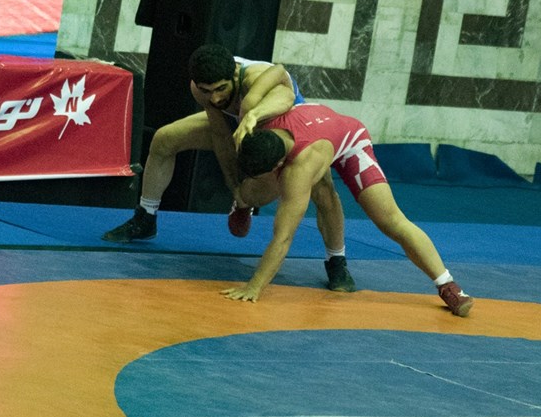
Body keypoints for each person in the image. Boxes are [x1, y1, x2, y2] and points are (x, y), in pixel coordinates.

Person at [103, 44, 355, 292]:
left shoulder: (255, 78)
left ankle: (336, 260)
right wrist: (233, 184)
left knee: (322, 188)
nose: (215, 98)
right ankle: (146, 217)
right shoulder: (200, 89)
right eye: (207, 91)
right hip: (238, 126)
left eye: (221, 89)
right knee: (164, 139)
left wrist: (253, 115)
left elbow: (285, 91)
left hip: (281, 129)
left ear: (234, 76)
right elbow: (221, 135)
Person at [227, 103, 473, 315]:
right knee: (258, 192)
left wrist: (255, 286)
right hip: (316, 132)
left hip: (349, 140)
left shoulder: (298, 170)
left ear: (279, 164)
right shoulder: (261, 125)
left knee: (390, 219)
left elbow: (283, 236)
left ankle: (447, 285)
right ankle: (243, 203)